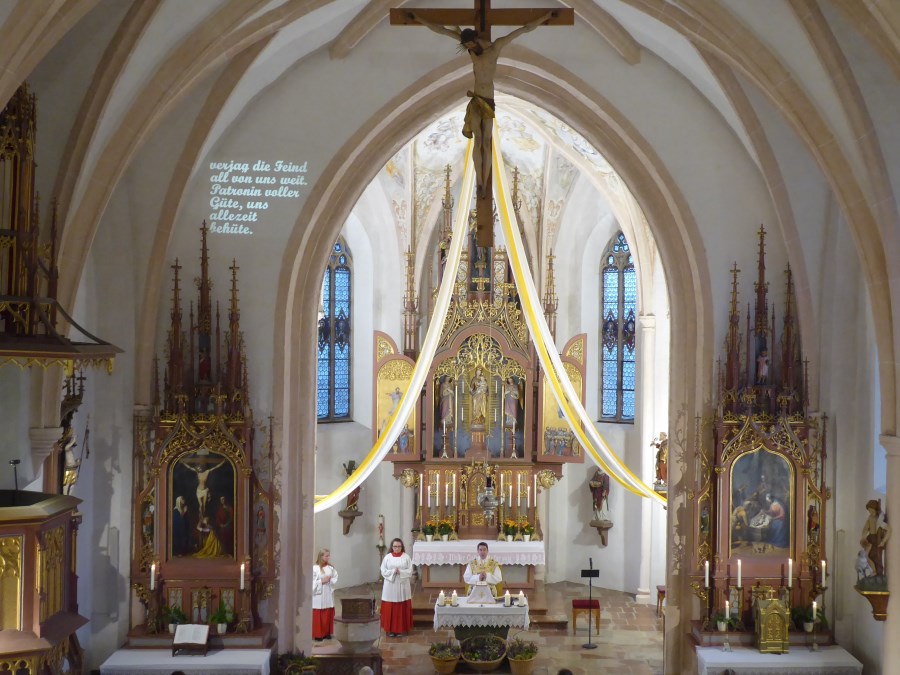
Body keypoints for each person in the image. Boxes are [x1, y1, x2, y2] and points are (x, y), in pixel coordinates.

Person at [408, 11, 556, 242]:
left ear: (476, 39)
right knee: (478, 142)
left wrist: (545, 17)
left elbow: (523, 29)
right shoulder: (471, 50)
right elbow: (444, 30)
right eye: (466, 45)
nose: (468, 48)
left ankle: (485, 180)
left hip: (487, 102)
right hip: (476, 101)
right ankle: (480, 183)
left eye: (469, 44)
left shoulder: (495, 48)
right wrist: (419, 19)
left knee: (487, 142)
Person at [380, 538, 413, 637]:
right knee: (390, 606)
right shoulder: (387, 557)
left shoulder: (406, 557)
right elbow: (383, 570)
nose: (397, 548)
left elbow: (410, 571)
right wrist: (393, 571)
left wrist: (401, 572)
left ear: (402, 547)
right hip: (390, 585)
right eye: (395, 546)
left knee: (401, 605)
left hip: (402, 584)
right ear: (392, 547)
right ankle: (390, 629)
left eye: (399, 546)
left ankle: (401, 629)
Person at [312, 548, 338, 641]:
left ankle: (327, 633)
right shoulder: (315, 568)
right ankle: (318, 634)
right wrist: (321, 581)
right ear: (321, 556)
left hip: (328, 591)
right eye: (326, 555)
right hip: (319, 594)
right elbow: (311, 582)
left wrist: (330, 580)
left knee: (328, 611)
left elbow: (335, 577)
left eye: (329, 555)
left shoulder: (330, 567)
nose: (328, 557)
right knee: (319, 612)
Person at [860, 498, 891, 577]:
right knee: (867, 556)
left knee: (876, 557)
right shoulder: (870, 517)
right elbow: (865, 528)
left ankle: (877, 573)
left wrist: (883, 541)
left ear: (875, 509)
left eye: (872, 510)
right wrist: (863, 537)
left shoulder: (879, 519)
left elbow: (889, 530)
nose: (870, 512)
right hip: (870, 539)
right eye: (869, 510)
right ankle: (874, 571)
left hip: (876, 540)